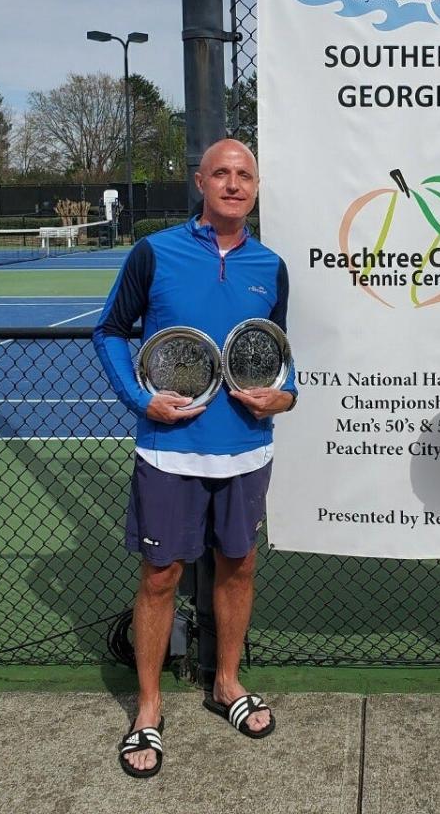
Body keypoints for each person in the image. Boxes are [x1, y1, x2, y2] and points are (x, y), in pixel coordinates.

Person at [93, 138, 297, 778]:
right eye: (222, 174)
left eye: (245, 175)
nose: (234, 184)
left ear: (256, 186)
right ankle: (148, 710)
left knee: (237, 566)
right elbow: (108, 332)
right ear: (201, 183)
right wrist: (138, 398)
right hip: (170, 453)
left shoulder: (272, 264)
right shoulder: (155, 253)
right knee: (160, 577)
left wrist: (287, 394)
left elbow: (280, 353)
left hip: (246, 453)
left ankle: (226, 684)